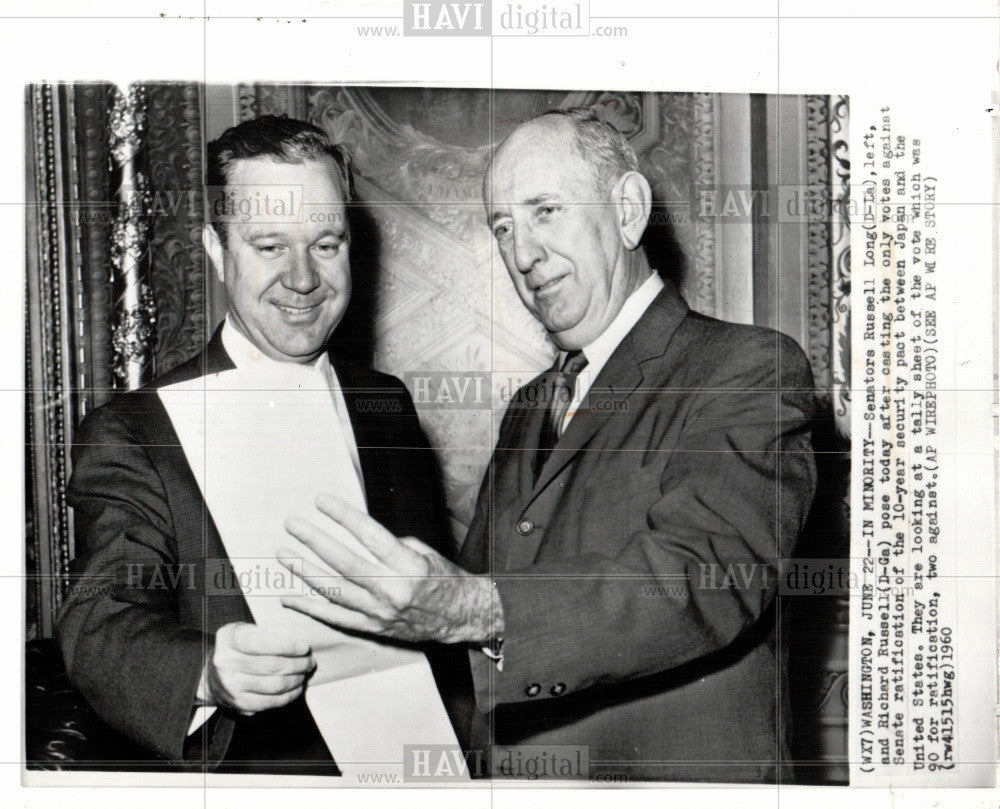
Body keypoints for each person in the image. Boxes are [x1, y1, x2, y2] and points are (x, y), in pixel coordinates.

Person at [278, 108, 817, 783]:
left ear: (627, 210)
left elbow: (704, 573)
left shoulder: (746, 368)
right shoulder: (531, 407)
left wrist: (475, 607)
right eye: (503, 227)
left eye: (546, 211)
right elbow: (464, 633)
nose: (523, 255)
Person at [56, 116, 448, 774]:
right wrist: (207, 672)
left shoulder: (388, 405)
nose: (303, 278)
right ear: (217, 248)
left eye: (326, 244)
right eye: (270, 246)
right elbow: (101, 620)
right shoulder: (136, 431)